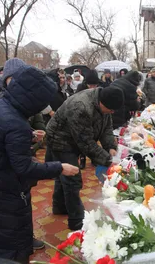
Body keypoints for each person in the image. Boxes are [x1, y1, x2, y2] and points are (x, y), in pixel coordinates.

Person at [0, 65, 79, 263]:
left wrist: (30, 136)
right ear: (33, 99)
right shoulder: (15, 123)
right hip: (0, 191)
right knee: (5, 242)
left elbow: (0, 139)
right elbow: (24, 167)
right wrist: (60, 167)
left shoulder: (1, 105)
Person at [46, 86, 124, 230]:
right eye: (111, 110)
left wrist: (110, 147)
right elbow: (86, 143)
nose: (112, 113)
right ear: (102, 102)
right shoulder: (80, 107)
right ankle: (77, 222)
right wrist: (108, 160)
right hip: (60, 140)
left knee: (63, 174)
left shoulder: (105, 102)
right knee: (72, 178)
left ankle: (60, 207)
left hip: (74, 139)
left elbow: (106, 128)